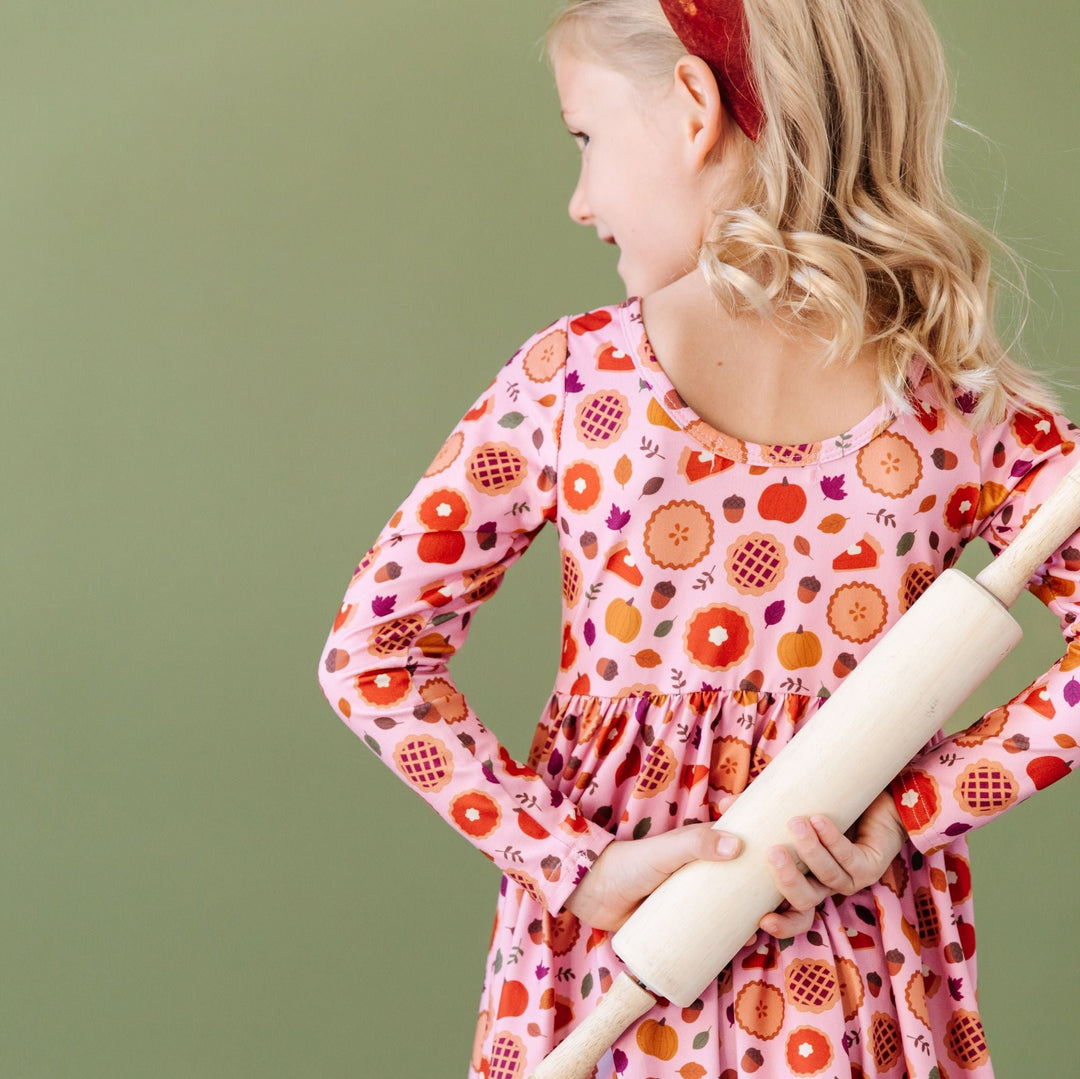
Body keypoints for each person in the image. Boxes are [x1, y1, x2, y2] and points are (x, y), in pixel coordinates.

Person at [318, 0, 1078, 1075]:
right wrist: (914, 808)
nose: (580, 202)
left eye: (585, 140)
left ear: (691, 108)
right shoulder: (964, 412)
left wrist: (571, 862)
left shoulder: (574, 383)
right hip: (853, 962)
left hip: (610, 965)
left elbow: (370, 656)